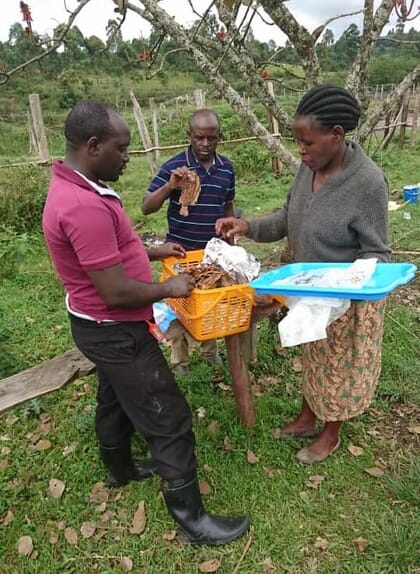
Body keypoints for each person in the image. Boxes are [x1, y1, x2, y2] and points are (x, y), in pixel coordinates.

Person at [42, 101, 249, 545]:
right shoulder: (82, 205)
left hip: (97, 324)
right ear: (94, 146)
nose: (127, 158)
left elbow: (110, 252)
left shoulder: (82, 187)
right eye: (122, 148)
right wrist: (169, 289)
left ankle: (119, 468)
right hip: (113, 327)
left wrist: (152, 253)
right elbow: (115, 290)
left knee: (115, 394)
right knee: (168, 415)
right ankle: (192, 518)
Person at [216, 84, 391, 464]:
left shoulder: (368, 184)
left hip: (346, 299)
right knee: (314, 357)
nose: (302, 150)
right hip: (309, 290)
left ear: (337, 135)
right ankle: (308, 416)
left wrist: (346, 286)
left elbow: (377, 252)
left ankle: (331, 432)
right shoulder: (308, 169)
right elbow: (287, 218)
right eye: (298, 142)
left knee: (337, 367)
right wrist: (246, 225)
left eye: (308, 142)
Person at [142, 109, 235, 377]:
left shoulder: (226, 168)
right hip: (179, 251)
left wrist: (230, 243)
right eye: (199, 138)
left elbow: (228, 206)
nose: (205, 144)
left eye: (211, 138)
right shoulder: (175, 167)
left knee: (210, 302)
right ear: (189, 136)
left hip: (212, 253)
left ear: (219, 138)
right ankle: (180, 360)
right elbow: (147, 207)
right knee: (180, 304)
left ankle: (210, 350)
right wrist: (171, 186)